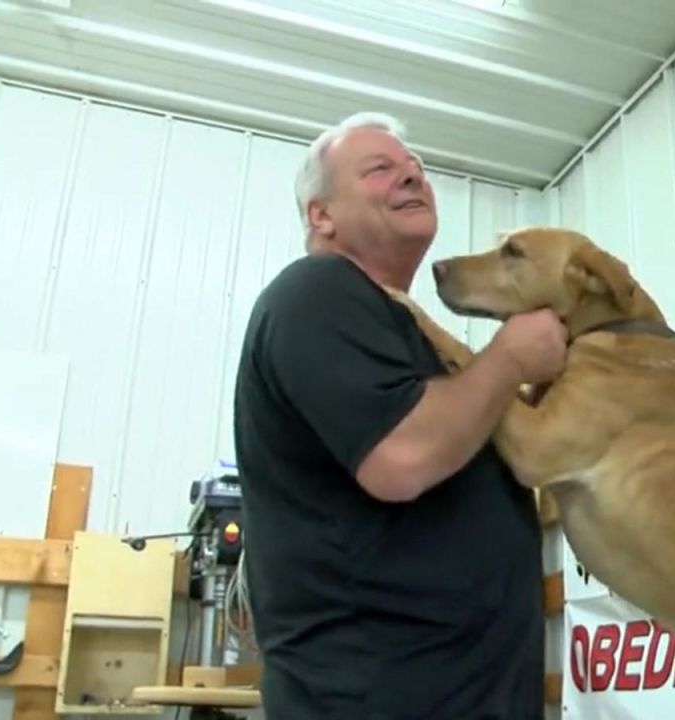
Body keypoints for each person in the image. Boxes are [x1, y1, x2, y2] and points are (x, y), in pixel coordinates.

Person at [231, 111, 567, 719]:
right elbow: (403, 457)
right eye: (380, 170)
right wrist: (512, 356)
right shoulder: (318, 293)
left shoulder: (402, 332)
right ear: (321, 215)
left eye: (416, 168)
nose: (411, 177)